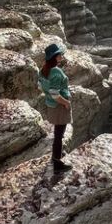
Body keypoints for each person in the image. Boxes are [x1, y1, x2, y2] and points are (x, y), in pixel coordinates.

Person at [38, 43, 72, 173]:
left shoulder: (43, 70)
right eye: (59, 54)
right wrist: (65, 103)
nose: (61, 56)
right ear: (55, 57)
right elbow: (54, 93)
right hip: (59, 107)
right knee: (59, 135)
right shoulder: (56, 72)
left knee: (58, 134)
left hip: (51, 106)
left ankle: (56, 157)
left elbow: (40, 86)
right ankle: (57, 164)